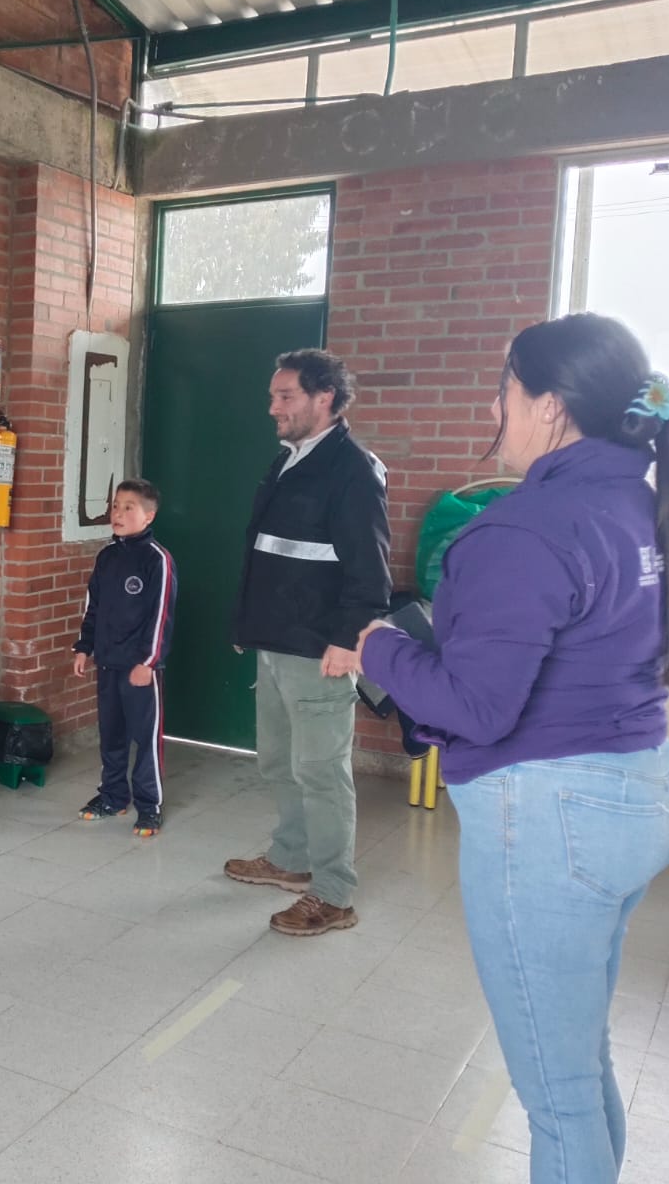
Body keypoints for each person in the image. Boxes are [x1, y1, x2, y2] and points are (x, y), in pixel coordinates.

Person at [356, 313, 669, 1184]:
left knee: (557, 1094)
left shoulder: (522, 526)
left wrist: (380, 648)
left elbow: (477, 704)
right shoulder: (633, 500)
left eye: (504, 389)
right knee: (579, 1061)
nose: (494, 408)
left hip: (551, 823)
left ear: (548, 406)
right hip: (639, 792)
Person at [224, 349, 390, 935]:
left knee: (321, 771)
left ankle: (334, 893)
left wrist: (348, 640)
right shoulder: (290, 460)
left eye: (285, 396)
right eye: (273, 395)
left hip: (320, 648)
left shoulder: (351, 469)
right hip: (276, 640)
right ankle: (291, 859)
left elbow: (371, 571)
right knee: (277, 759)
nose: (273, 407)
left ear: (325, 398)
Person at [72, 479, 177, 836]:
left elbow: (161, 616)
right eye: (116, 506)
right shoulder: (107, 557)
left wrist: (147, 662)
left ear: (148, 516)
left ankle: (149, 805)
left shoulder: (157, 560)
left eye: (128, 507)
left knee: (144, 738)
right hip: (109, 663)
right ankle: (113, 796)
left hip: (140, 669)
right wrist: (84, 648)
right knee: (111, 733)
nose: (117, 513)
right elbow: (94, 607)